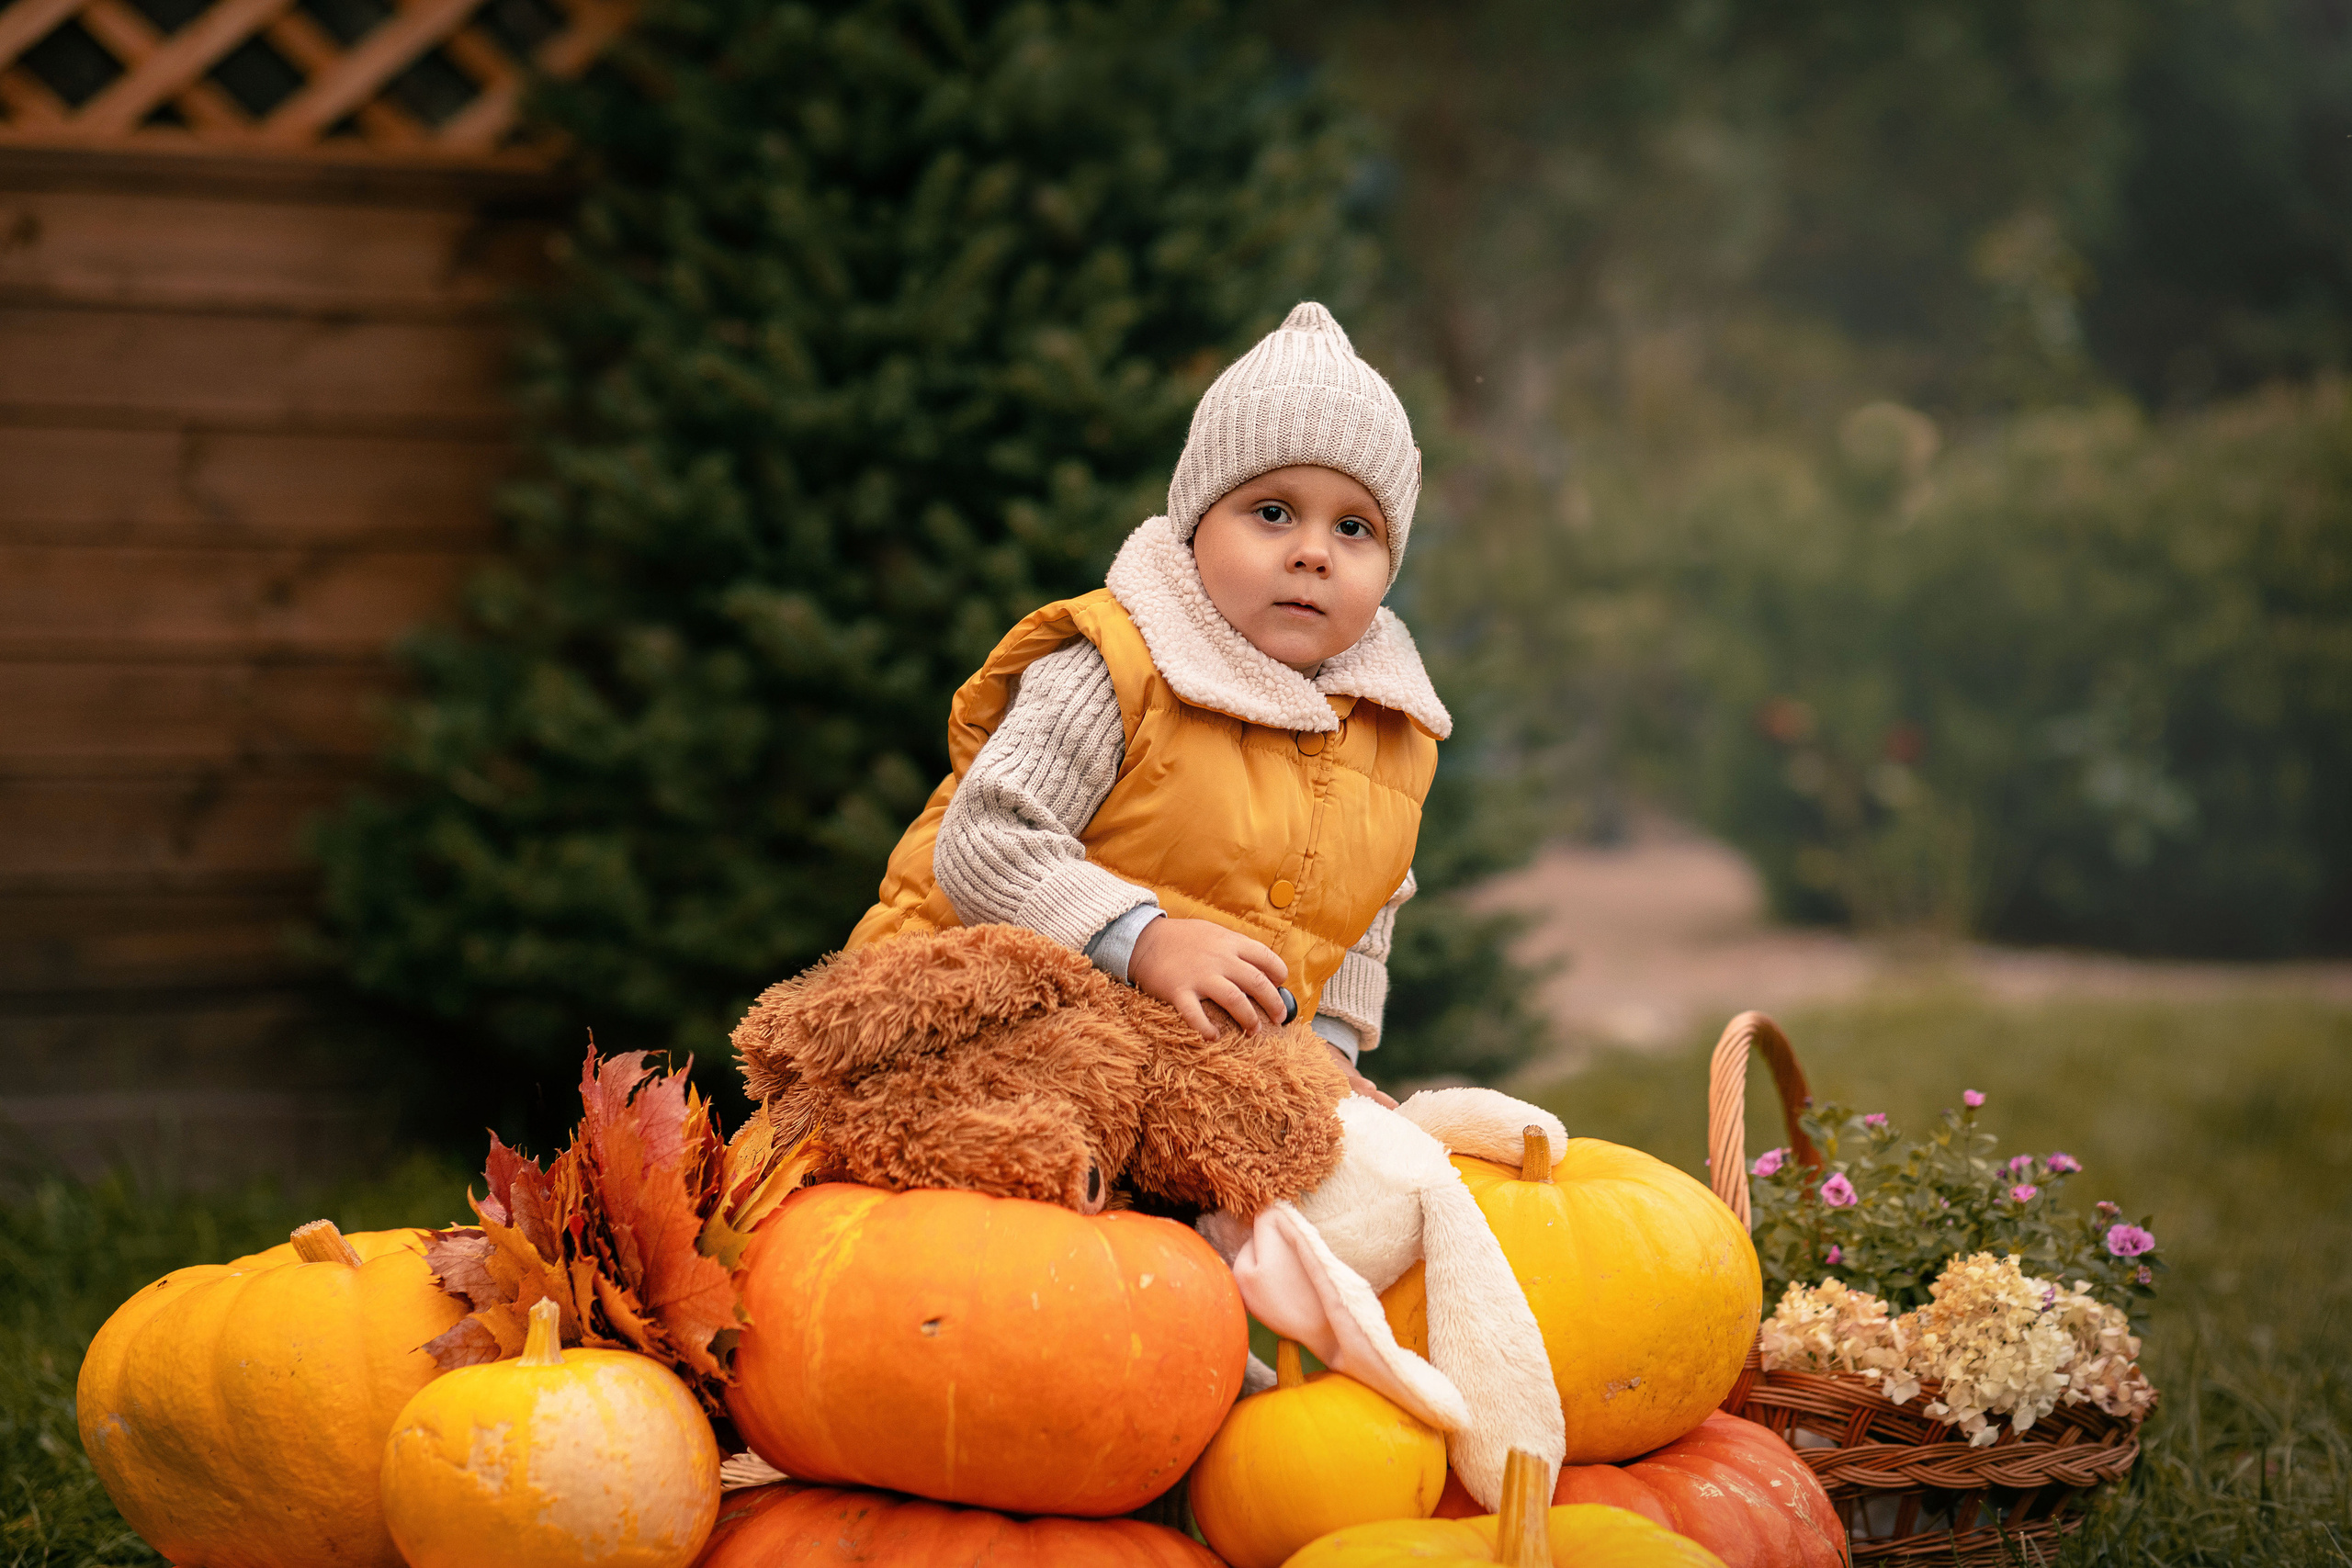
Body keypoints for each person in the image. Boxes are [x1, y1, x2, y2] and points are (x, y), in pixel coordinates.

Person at [847, 302, 1450, 1105]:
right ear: (1197, 523)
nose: (1312, 552)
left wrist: (1327, 1050)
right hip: (967, 1028)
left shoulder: (1389, 729)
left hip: (1174, 1077)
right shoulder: (1118, 663)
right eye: (1272, 513)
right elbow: (986, 838)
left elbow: (1357, 918)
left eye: (1353, 527)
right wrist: (1145, 941)